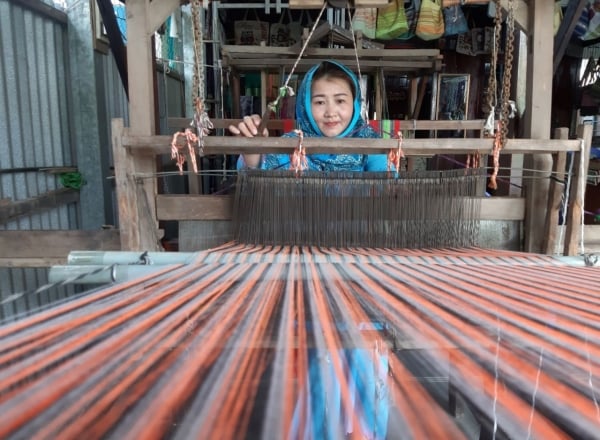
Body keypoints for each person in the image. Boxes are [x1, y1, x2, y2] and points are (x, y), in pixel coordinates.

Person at [229, 60, 391, 171]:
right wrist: (252, 151)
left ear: (355, 104)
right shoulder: (291, 145)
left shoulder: (370, 143)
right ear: (305, 106)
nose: (330, 113)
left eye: (340, 101)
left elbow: (387, 189)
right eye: (320, 102)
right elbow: (258, 175)